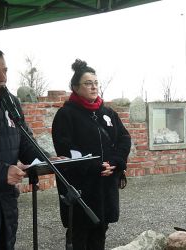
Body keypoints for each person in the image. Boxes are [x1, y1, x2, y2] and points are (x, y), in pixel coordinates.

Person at [52, 59, 131, 250]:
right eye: (88, 83)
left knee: (100, 232)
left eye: (96, 83)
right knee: (79, 235)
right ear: (75, 87)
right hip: (81, 188)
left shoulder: (107, 113)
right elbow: (66, 151)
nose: (94, 87)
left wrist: (116, 162)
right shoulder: (66, 115)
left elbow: (124, 138)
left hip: (105, 184)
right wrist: (94, 166)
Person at [0, 45, 51, 250]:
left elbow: (24, 142)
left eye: (5, 70)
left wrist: (47, 160)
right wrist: (1, 173)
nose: (2, 77)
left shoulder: (10, 102)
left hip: (6, 209)